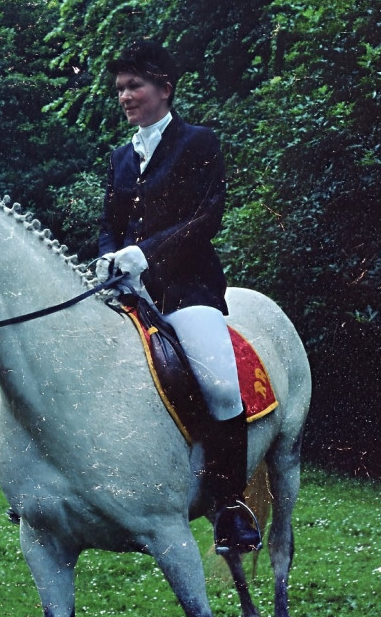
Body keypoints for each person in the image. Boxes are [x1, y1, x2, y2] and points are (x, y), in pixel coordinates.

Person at [96, 39, 261, 555]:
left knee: (221, 386)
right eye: (120, 89)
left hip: (187, 290)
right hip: (128, 293)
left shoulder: (198, 142)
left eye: (134, 86)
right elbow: (109, 223)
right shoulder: (121, 157)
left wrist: (144, 254)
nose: (125, 96)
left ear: (164, 89)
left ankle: (230, 507)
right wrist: (106, 257)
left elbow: (207, 216)